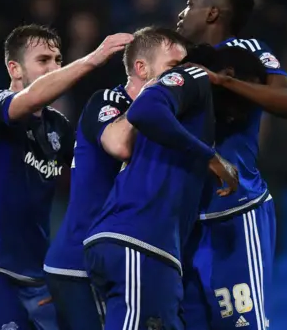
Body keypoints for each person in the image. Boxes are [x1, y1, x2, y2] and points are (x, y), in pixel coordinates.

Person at [0, 24, 133, 330]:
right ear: (14, 69)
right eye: (43, 60)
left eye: (57, 60)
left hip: (39, 277)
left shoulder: (59, 127)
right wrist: (94, 58)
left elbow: (91, 175)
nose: (54, 67)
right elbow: (30, 98)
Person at [176, 0, 287, 330]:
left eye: (190, 4)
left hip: (234, 210)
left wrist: (226, 82)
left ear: (213, 13)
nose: (181, 13)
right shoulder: (175, 58)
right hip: (183, 219)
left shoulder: (246, 49)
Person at [83, 45, 239, 329]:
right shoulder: (195, 75)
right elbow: (145, 108)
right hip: (139, 242)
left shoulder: (187, 121)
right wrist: (210, 157)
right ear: (225, 75)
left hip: (150, 249)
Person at [43, 26, 189, 330]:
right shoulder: (109, 100)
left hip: (111, 259)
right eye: (173, 68)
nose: (180, 79)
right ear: (141, 68)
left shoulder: (166, 118)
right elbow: (120, 144)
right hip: (80, 263)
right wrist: (153, 95)